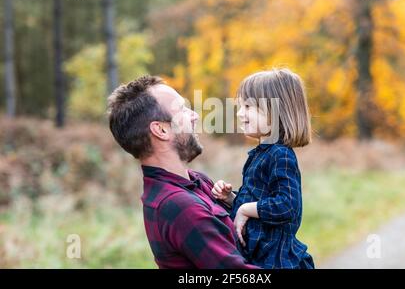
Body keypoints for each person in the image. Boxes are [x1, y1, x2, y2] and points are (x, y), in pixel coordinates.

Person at [107, 75, 257, 269]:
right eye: (182, 109)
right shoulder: (179, 206)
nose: (194, 115)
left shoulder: (195, 181)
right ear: (161, 130)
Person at [212, 68, 315, 269]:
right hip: (258, 256)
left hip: (276, 261)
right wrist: (232, 199)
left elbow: (288, 206)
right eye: (240, 106)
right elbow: (261, 200)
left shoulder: (280, 155)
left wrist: (244, 209)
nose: (240, 113)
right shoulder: (261, 154)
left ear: (277, 111)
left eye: (248, 106)